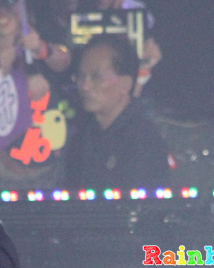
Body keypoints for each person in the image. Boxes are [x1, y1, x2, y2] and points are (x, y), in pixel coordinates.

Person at [67, 34, 171, 192]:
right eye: (81, 76)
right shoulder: (81, 137)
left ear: (125, 84)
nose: (85, 86)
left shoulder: (142, 139)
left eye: (97, 77)